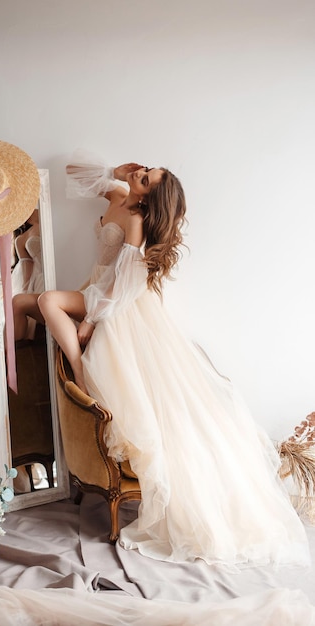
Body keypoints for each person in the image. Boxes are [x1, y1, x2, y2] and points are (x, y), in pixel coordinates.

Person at [38, 150, 310, 568]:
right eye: (147, 169)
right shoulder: (117, 193)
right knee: (33, 302)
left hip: (116, 302)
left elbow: (125, 284)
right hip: (99, 289)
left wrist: (91, 320)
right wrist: (117, 172)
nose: (141, 173)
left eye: (147, 178)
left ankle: (79, 372)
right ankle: (70, 363)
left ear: (148, 199)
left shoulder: (134, 219)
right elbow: (72, 173)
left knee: (49, 302)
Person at [11, 209, 45, 340]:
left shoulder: (47, 221)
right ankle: (18, 350)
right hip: (38, 279)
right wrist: (25, 291)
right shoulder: (21, 240)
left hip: (50, 273)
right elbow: (27, 268)